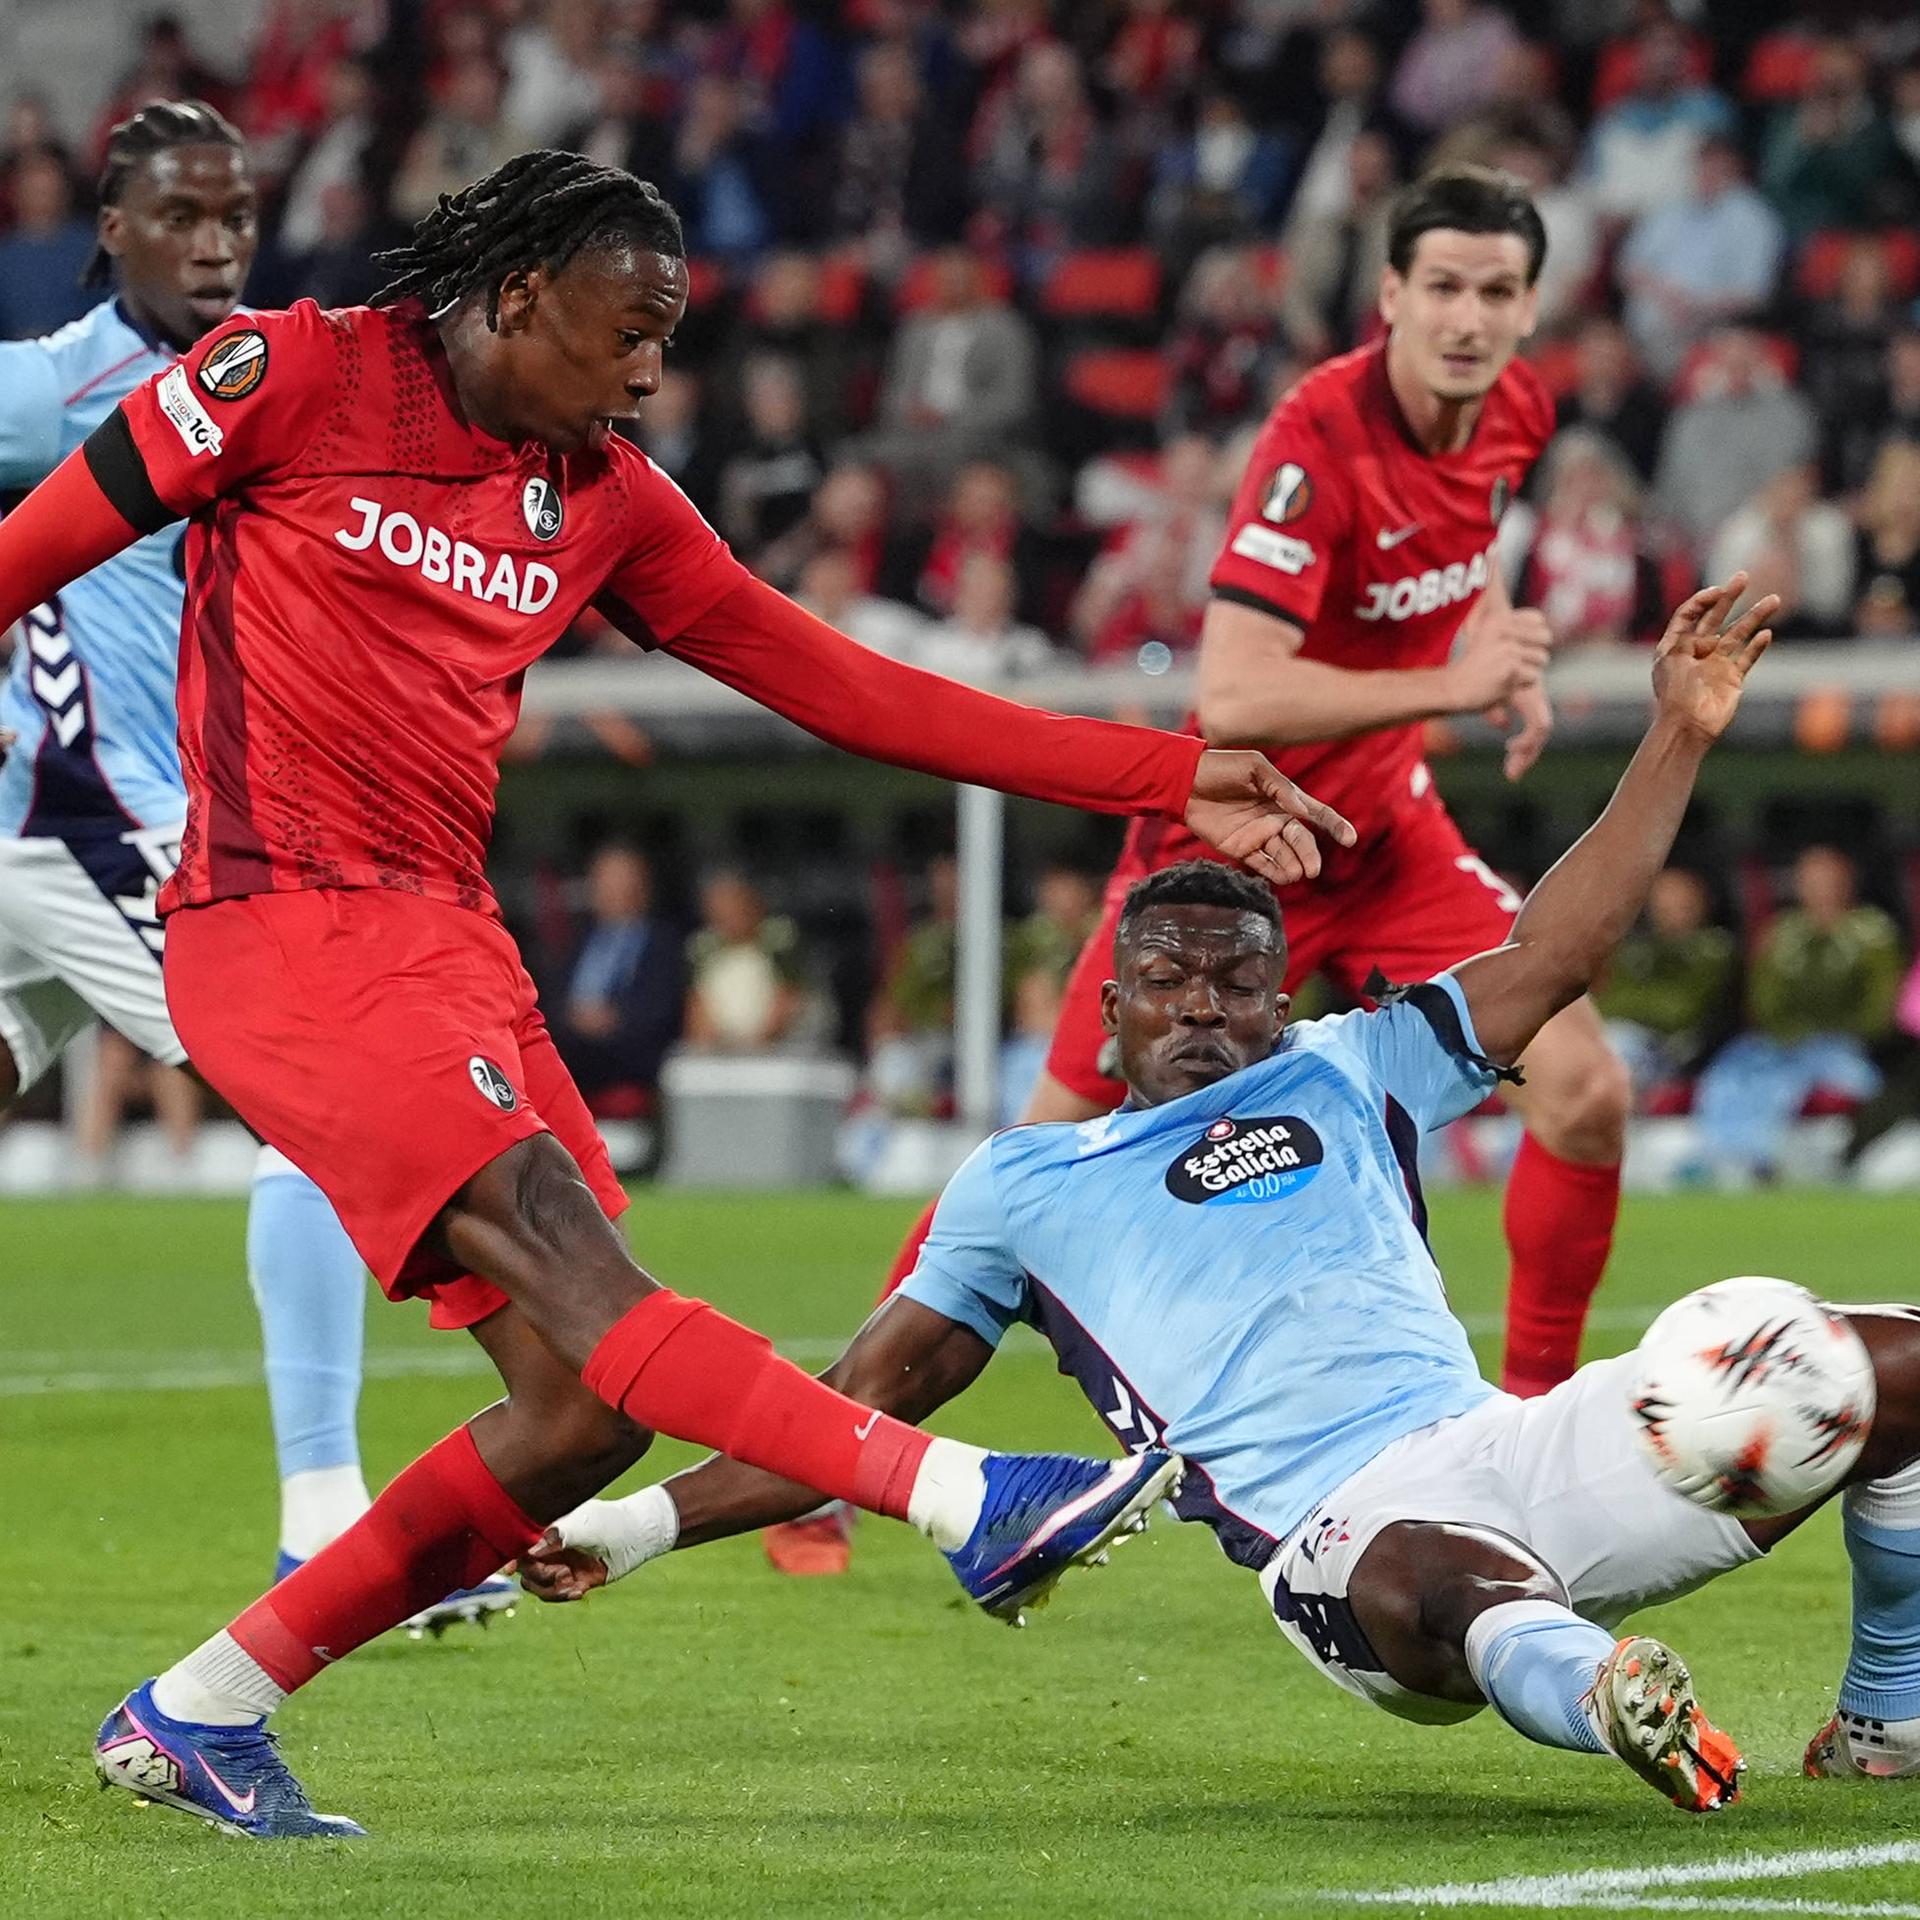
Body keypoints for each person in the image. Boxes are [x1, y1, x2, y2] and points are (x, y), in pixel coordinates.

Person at [0, 149, 1349, 1838]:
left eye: (670, 338)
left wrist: (1166, 768)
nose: (652, 371)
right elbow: (25, 551)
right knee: (580, 1272)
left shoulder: (610, 498)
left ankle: (199, 1710)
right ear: (512, 300)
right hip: (279, 928)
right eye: (627, 333)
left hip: (451, 950)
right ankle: (966, 1493)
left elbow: (847, 686)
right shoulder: (291, 373)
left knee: (574, 1418)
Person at [532, 584, 1920, 1804]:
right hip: (1335, 1538)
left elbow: (1555, 952)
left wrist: (1678, 732)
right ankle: (1599, 1689)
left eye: (1237, 981)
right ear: (1113, 1003)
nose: (1202, 1006)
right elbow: (852, 1415)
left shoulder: (1353, 1066)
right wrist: (640, 1523)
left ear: (1282, 992)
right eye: (1168, 982)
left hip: (1513, 1447)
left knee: (1888, 1363)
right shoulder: (1020, 1186)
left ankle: (1883, 1717)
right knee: (1432, 1576)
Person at [877, 166, 1631, 1406]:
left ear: (1532, 308)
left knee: (1590, 1092)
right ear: (1390, 293)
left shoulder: (1516, 415)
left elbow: (1464, 555)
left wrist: (1502, 662)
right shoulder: (1315, 444)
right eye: (1441, 286)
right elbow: (1233, 693)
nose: (1467, 318)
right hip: (1227, 849)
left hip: (1385, 831)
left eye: (1497, 292)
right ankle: (826, 1458)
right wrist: (1452, 685)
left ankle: (1535, 1422)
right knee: (1035, 1163)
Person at [0, 101, 423, 1612]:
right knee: (317, 1118)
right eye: (179, 215)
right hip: (103, 823)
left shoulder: (278, 384)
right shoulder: (68, 386)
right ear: (110, 231)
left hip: (69, 836)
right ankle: (327, 1520)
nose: (214, 242)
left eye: (235, 215)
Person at [1694, 847, 1905, 1184]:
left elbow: (1879, 1009)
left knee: (1840, 1076)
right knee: (1731, 1074)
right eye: (1811, 881)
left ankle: (1785, 1161)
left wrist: (1828, 1034)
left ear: (1846, 884)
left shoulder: (1873, 934)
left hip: (1844, 1046)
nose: (1820, 890)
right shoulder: (1780, 933)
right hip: (1781, 1044)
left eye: (1828, 881)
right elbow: (1763, 1003)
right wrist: (1790, 1037)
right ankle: (1731, 1160)